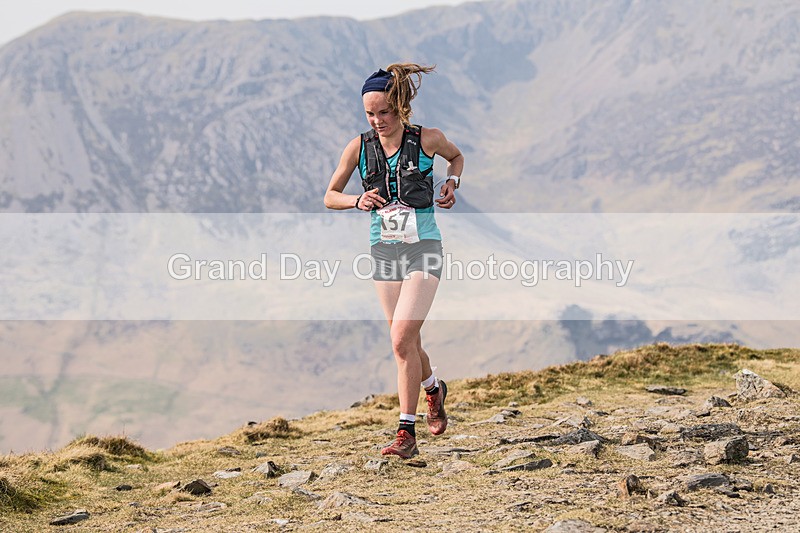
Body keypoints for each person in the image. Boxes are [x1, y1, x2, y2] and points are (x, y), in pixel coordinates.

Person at [324, 63, 464, 458]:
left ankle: (406, 434)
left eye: (384, 112)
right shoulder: (358, 146)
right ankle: (433, 388)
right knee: (407, 344)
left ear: (400, 107)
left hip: (424, 248)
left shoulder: (428, 139)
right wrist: (357, 200)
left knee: (401, 339)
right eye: (370, 113)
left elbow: (457, 158)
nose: (377, 120)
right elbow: (329, 195)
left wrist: (452, 182)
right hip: (384, 251)